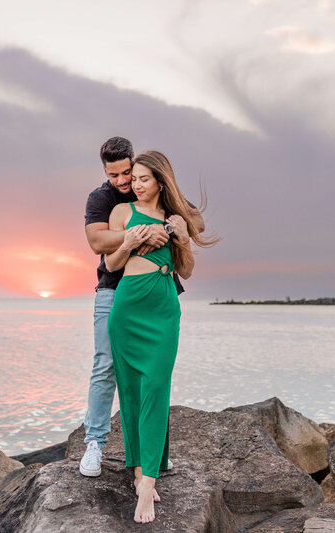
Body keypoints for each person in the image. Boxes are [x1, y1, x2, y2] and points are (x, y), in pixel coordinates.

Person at [105, 150, 217, 523]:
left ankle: (149, 483)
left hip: (163, 308)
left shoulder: (176, 218)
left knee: (156, 387)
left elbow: (185, 268)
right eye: (132, 179)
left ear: (160, 181)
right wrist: (129, 241)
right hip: (128, 307)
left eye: (142, 179)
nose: (134, 185)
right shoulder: (123, 213)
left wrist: (182, 237)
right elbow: (110, 265)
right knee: (132, 391)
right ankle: (141, 474)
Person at [81, 138, 202, 479]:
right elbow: (96, 243)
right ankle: (95, 443)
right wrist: (139, 233)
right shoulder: (102, 199)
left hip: (158, 293)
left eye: (128, 173)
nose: (124, 181)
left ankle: (154, 454)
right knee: (105, 364)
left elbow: (195, 222)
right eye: (115, 174)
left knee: (155, 376)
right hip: (114, 289)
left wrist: (171, 227)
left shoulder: (152, 185)